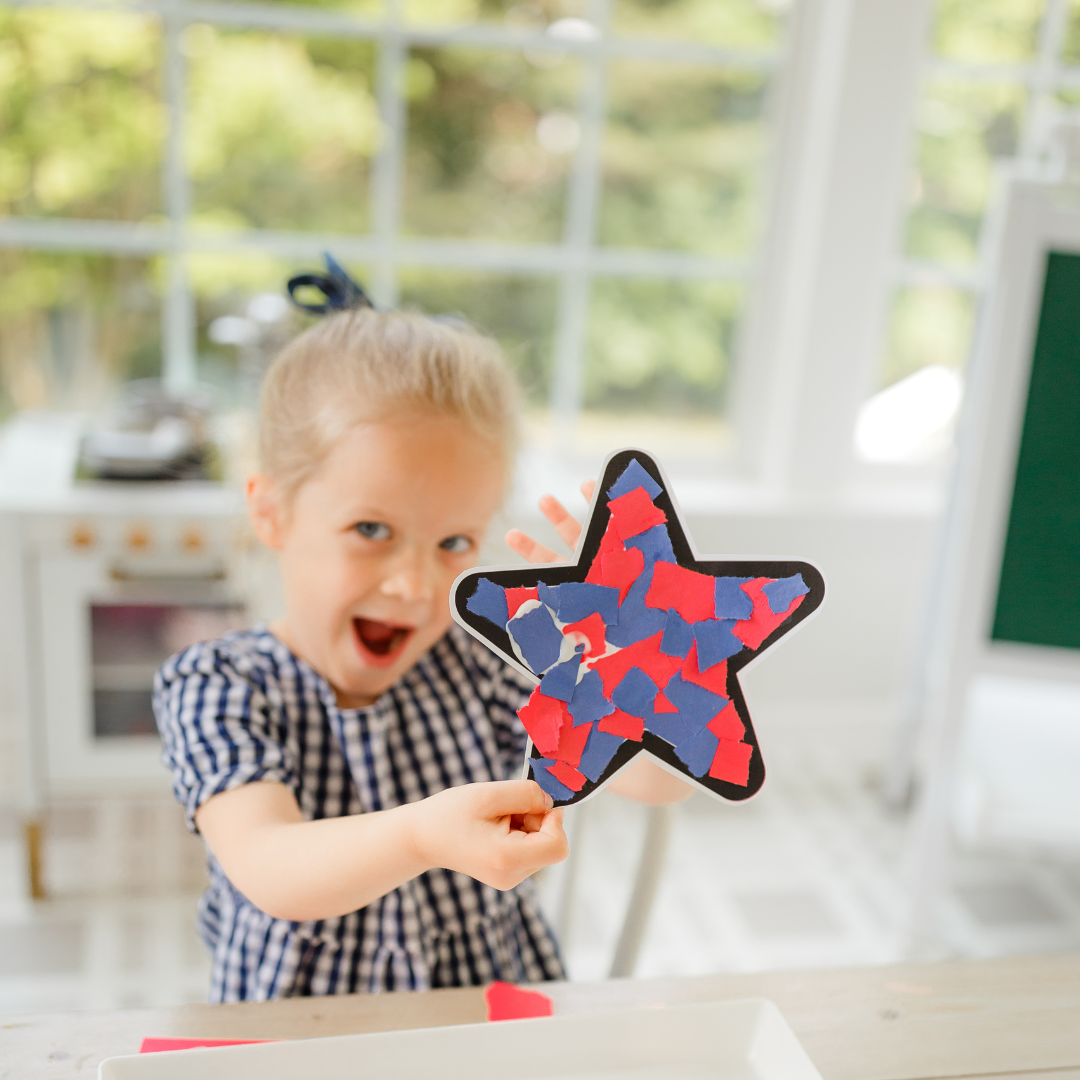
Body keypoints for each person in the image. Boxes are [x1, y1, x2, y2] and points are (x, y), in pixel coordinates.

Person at [154, 304, 690, 1002]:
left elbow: (659, 782)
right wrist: (419, 837)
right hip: (305, 1039)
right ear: (271, 513)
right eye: (371, 528)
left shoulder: (485, 664)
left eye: (454, 544)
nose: (415, 584)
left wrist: (631, 652)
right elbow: (269, 865)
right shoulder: (218, 685)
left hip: (486, 1021)